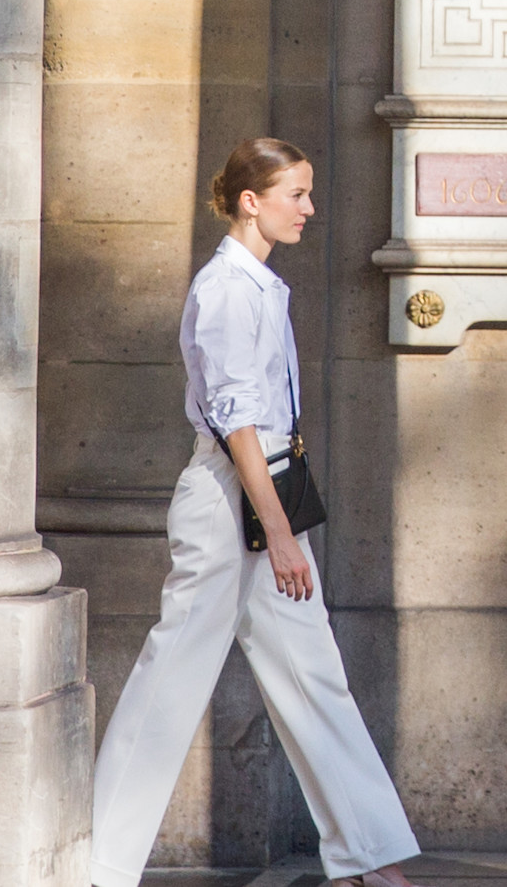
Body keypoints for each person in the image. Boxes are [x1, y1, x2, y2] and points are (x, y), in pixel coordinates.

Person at [88, 137, 422, 887]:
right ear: (252, 201)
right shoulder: (230, 289)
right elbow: (236, 423)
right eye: (296, 195)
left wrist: (278, 529)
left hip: (263, 495)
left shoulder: (258, 284)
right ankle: (100, 869)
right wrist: (278, 535)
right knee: (171, 679)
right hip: (230, 505)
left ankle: (369, 860)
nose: (309, 208)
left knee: (313, 673)